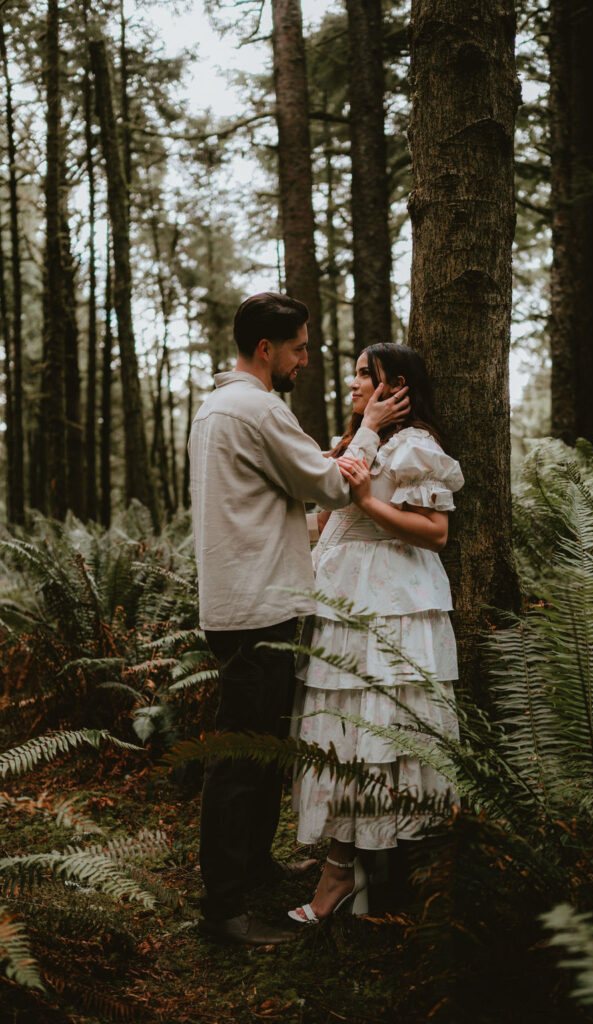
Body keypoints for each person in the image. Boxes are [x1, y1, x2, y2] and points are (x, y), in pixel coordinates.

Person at [188, 293, 409, 947]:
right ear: (266, 350)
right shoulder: (256, 407)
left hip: (237, 600)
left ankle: (252, 868)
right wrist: (369, 427)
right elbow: (332, 486)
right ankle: (224, 908)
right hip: (258, 603)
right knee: (238, 759)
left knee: (257, 753)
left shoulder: (215, 405)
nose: (306, 360)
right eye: (300, 348)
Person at [288, 343, 464, 925]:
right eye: (358, 372)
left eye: (369, 374)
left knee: (381, 730)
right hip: (345, 606)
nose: (355, 381)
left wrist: (365, 498)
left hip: (393, 606)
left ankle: (352, 871)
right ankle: (353, 865)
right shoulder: (358, 444)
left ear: (399, 388)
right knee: (344, 730)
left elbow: (435, 532)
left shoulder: (416, 447)